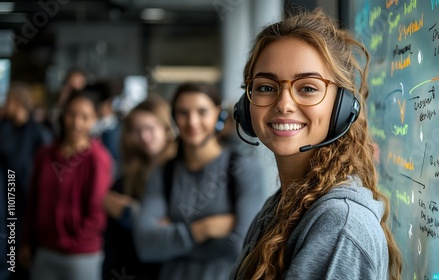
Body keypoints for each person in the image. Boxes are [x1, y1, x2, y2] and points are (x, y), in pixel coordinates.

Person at [230, 9, 402, 280]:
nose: (284, 104)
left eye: (308, 88)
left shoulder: (340, 225)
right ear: (246, 105)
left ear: (342, 107)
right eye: (265, 87)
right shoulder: (279, 207)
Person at [133, 82, 266, 280]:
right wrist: (203, 229)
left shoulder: (243, 168)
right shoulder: (162, 173)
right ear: (174, 118)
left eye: (202, 112)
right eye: (183, 113)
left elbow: (242, 244)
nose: (192, 122)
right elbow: (146, 246)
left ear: (218, 115)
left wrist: (172, 240)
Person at [20, 90, 112, 280]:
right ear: (63, 115)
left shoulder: (98, 158)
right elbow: (33, 201)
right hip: (45, 250)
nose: (77, 122)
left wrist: (74, 241)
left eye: (85, 117)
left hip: (81, 254)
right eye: (71, 114)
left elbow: (97, 210)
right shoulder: (45, 155)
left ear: (94, 119)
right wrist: (25, 241)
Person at [103, 97, 177, 280]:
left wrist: (130, 211)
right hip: (125, 266)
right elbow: (109, 206)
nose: (144, 136)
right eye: (137, 130)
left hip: (165, 269)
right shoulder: (126, 175)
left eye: (150, 129)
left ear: (166, 129)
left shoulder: (179, 172)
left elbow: (174, 228)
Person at [0, 82, 51, 280]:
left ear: (20, 103)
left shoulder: (38, 132)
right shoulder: (5, 127)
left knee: (22, 244)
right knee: (7, 242)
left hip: (26, 198)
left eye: (9, 101)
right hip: (6, 196)